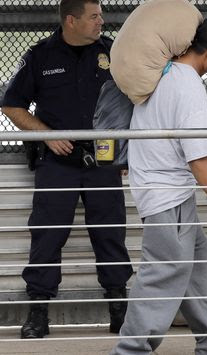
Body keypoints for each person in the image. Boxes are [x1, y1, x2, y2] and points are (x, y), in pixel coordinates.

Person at [110, 15, 207, 355]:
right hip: (166, 196)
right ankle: (130, 350)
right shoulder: (188, 85)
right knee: (162, 274)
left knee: (196, 267)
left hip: (168, 191)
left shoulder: (163, 73)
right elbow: (198, 156)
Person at [1, 0, 132, 338]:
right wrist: (47, 136)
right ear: (71, 20)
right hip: (57, 163)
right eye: (94, 16)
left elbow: (138, 98)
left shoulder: (114, 52)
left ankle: (120, 310)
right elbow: (12, 104)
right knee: (47, 235)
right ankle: (38, 313)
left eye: (101, 15)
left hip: (103, 161)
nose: (102, 21)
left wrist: (127, 151)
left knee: (110, 233)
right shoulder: (40, 56)